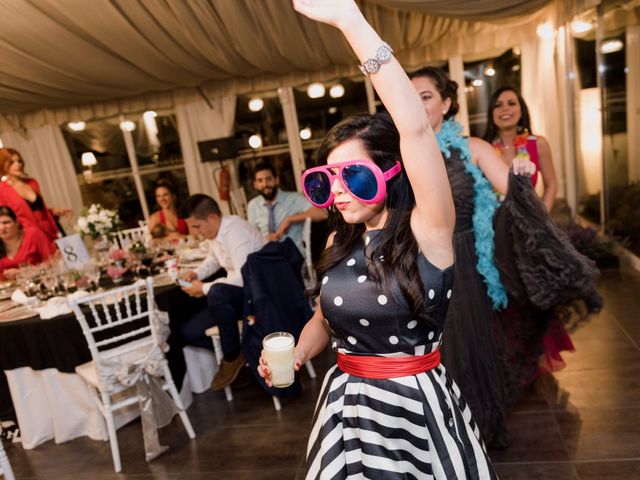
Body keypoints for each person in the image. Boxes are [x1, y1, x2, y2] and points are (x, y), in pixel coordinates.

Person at [260, 1, 496, 478]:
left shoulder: (428, 228)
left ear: (392, 171)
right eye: (327, 179)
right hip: (347, 409)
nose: (339, 190)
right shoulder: (338, 241)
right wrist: (299, 353)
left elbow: (412, 125)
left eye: (355, 175)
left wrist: (350, 20)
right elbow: (324, 321)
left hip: (416, 408)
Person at [409, 67, 600, 448]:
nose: (416, 104)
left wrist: (522, 174)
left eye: (426, 96)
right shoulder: (395, 156)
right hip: (417, 267)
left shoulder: (473, 148)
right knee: (426, 356)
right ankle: (434, 438)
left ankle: (473, 435)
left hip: (464, 265)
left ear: (446, 104)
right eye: (408, 95)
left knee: (467, 348)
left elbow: (511, 189)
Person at [178, 194, 265, 391]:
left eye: (196, 226)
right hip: (233, 298)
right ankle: (243, 355)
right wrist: (195, 273)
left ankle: (232, 356)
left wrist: (204, 287)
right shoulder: (214, 235)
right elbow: (213, 260)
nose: (195, 232)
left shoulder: (235, 230)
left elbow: (244, 279)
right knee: (187, 332)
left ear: (211, 218)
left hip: (257, 295)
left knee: (216, 292)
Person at [483, 86, 558, 211]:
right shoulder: (484, 148)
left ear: (522, 110)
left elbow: (551, 184)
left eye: (511, 103)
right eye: (498, 105)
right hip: (491, 222)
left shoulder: (538, 143)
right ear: (492, 114)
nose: (505, 108)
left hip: (528, 220)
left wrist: (542, 215)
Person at [247, 161, 327, 255]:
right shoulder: (253, 205)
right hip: (268, 256)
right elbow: (251, 237)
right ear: (255, 185)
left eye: (268, 179)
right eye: (260, 180)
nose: (265, 184)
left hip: (293, 257)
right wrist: (265, 240)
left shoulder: (294, 199)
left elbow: (323, 214)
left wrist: (290, 219)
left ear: (276, 179)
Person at [0, 148, 70, 241]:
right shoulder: (2, 190)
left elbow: (36, 210)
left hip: (49, 232)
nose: (18, 164)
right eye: (12, 162)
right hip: (27, 238)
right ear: (3, 165)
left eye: (19, 161)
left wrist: (52, 211)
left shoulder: (32, 183)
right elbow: (5, 219)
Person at [0, 206, 56, 280]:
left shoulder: (33, 234)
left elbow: (52, 262)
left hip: (40, 283)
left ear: (17, 222)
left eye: (6, 222)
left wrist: (23, 273)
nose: (2, 228)